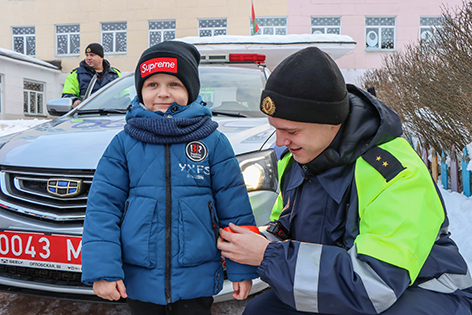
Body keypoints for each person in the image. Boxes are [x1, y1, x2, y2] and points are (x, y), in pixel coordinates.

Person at [217, 47, 472, 315]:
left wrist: (267, 255)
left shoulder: (396, 173)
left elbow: (374, 285)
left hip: (425, 292)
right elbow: (285, 227)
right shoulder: (295, 161)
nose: (280, 142)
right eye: (275, 129)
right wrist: (246, 242)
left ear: (331, 121)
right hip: (344, 286)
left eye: (291, 131)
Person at [81, 41, 258, 315]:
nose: (163, 93)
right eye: (152, 85)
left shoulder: (213, 142)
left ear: (190, 90)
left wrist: (242, 268)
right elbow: (102, 209)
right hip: (140, 278)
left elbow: (235, 210)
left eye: (174, 84)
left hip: (196, 278)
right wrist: (103, 270)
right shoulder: (123, 144)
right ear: (140, 91)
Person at [62, 43, 121, 108]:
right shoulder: (76, 74)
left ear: (101, 57)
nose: (88, 58)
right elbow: (67, 96)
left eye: (92, 55)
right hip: (86, 115)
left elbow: (125, 98)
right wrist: (75, 101)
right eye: (87, 55)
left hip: (112, 115)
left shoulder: (115, 74)